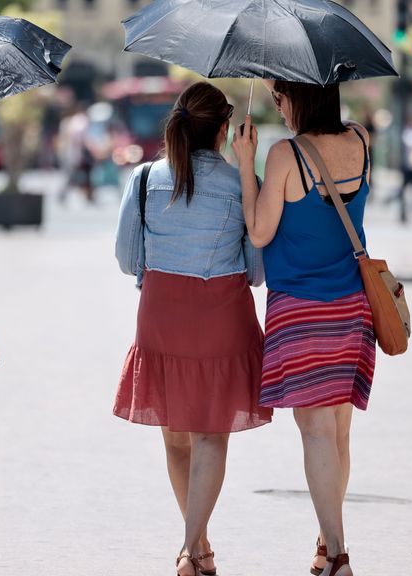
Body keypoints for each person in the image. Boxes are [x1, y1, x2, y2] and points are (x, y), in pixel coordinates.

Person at [114, 81, 271, 576]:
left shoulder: (143, 179)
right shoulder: (239, 184)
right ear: (225, 130)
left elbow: (126, 259)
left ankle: (198, 546)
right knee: (210, 437)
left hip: (161, 315)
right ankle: (190, 546)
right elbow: (256, 270)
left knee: (175, 439)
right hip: (221, 314)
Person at [233, 80, 377, 576]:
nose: (278, 105)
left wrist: (245, 167)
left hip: (301, 310)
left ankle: (338, 553)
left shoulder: (283, 156)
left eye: (280, 98)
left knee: (315, 432)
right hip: (353, 306)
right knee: (337, 431)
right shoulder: (360, 139)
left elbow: (258, 230)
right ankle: (325, 542)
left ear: (299, 97)